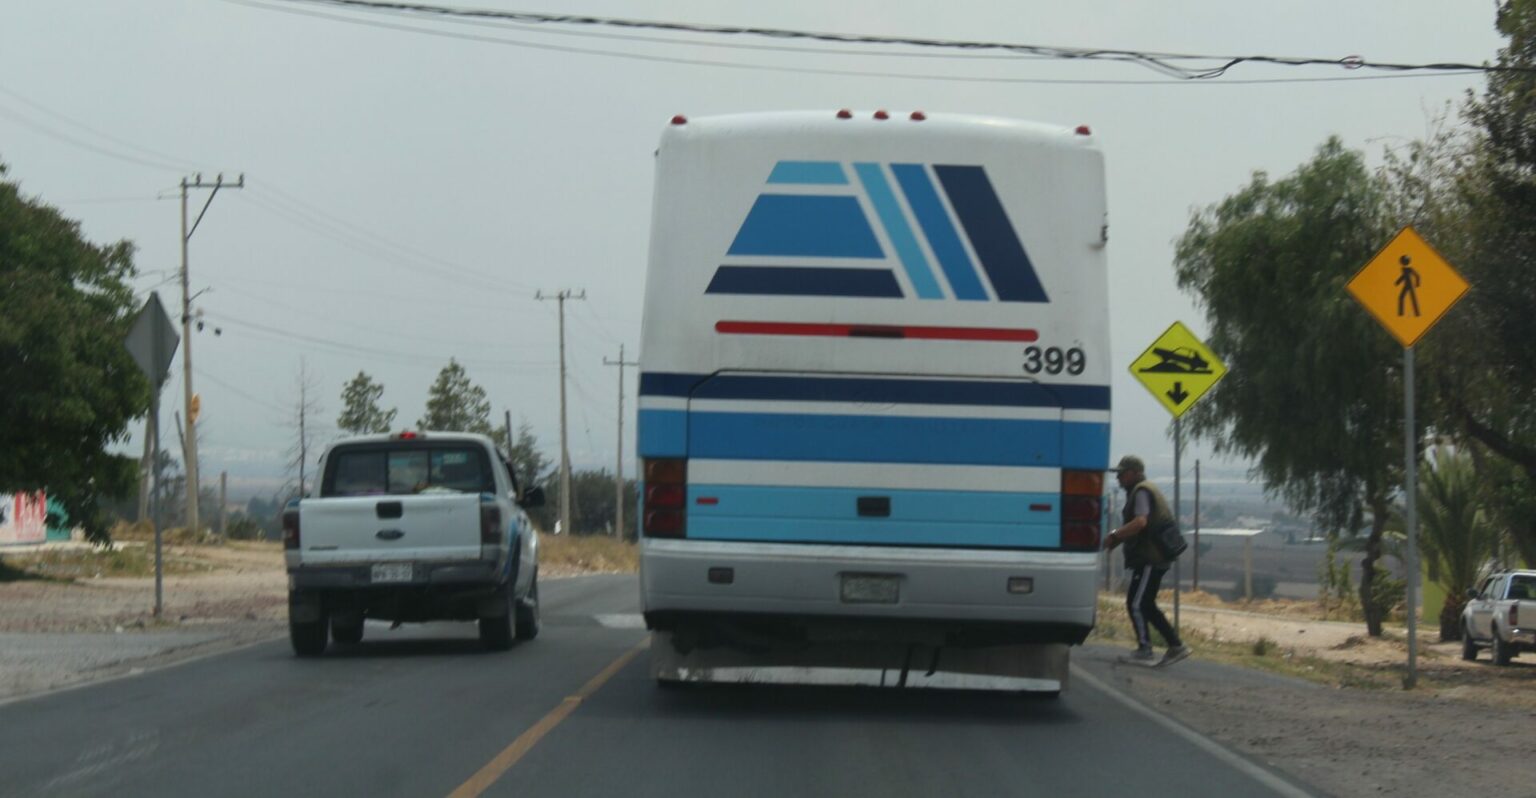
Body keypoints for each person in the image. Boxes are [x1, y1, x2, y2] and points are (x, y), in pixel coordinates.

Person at [1105, 455, 1191, 667]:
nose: (1119, 479)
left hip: (1150, 558)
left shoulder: (1141, 491)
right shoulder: (1144, 489)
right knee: (1146, 604)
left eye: (1122, 474)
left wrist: (1115, 536)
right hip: (1154, 556)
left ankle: (1145, 649)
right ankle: (1175, 645)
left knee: (1136, 603)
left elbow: (1140, 522)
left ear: (1135, 473)